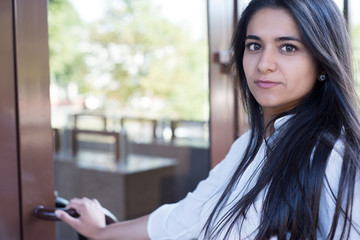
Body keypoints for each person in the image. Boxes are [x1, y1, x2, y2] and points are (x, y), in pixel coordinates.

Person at [55, 0, 360, 239]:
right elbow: (190, 215)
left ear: (322, 60)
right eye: (254, 45)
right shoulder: (251, 144)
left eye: (288, 47)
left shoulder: (335, 155)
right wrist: (102, 232)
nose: (264, 64)